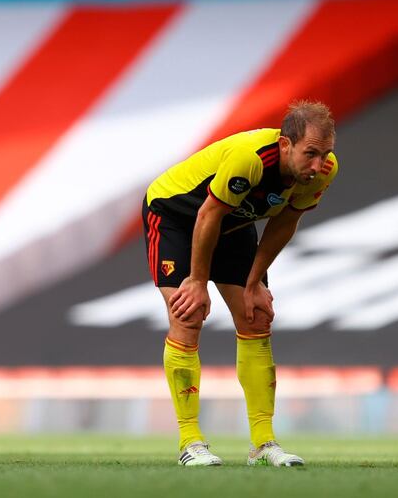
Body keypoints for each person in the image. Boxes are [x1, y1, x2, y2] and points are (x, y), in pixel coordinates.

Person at [143, 101, 338, 467]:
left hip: (231, 221)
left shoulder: (324, 170)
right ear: (285, 145)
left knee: (257, 316)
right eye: (310, 153)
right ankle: (190, 442)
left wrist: (253, 282)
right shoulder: (249, 159)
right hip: (176, 217)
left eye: (324, 154)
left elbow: (284, 222)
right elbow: (206, 214)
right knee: (189, 314)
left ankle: (263, 446)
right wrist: (197, 281)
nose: (317, 166)